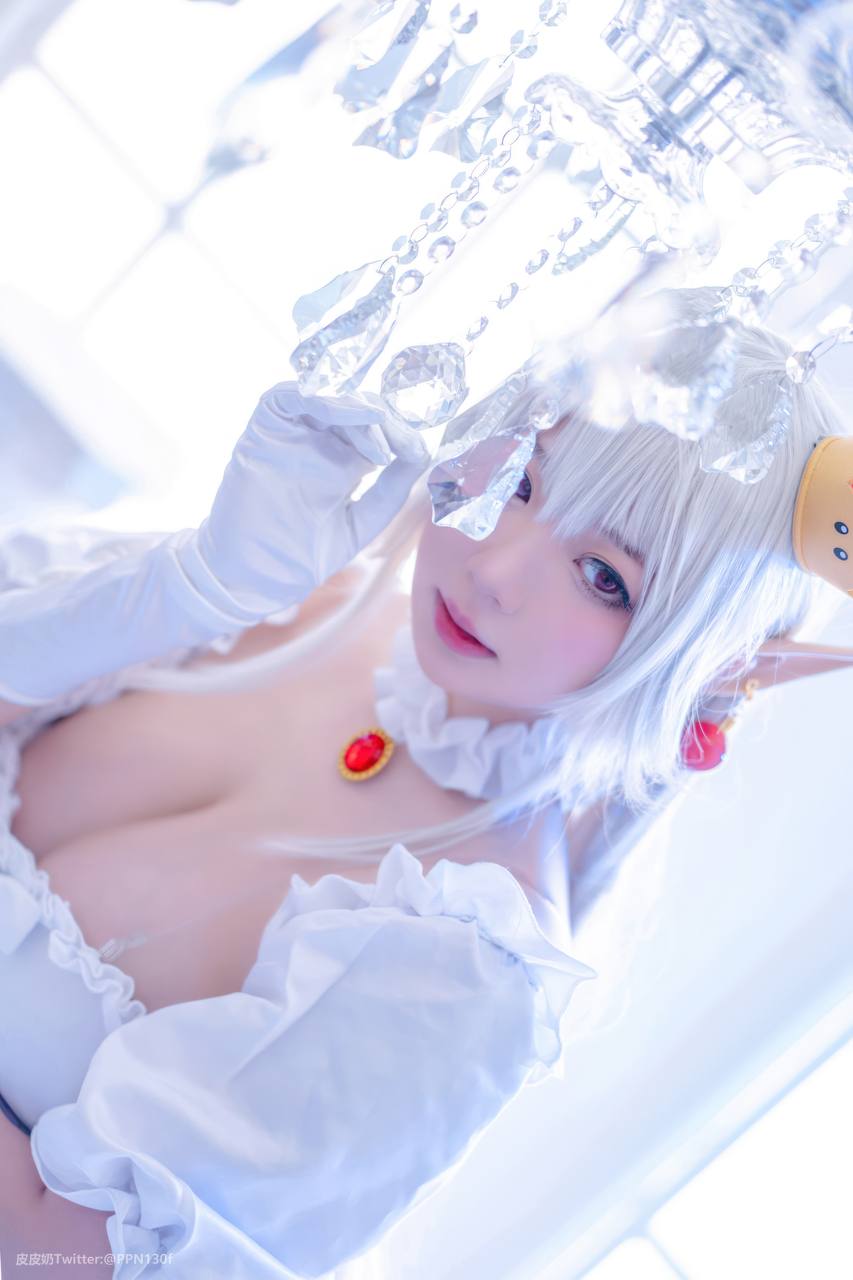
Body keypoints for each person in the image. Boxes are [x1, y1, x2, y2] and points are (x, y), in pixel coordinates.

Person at [0, 290, 850, 1278]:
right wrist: (188, 587)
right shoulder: (279, 586)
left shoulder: (459, 960)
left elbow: (60, 1256)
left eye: (605, 577)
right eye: (523, 478)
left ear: (706, 667)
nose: (496, 567)